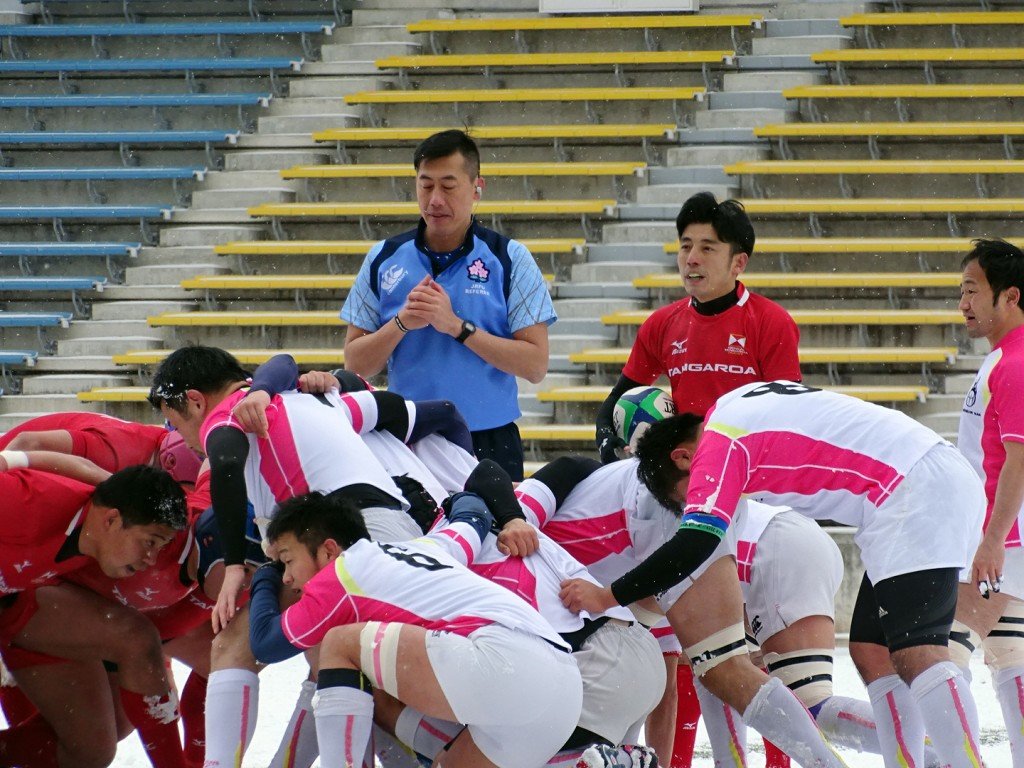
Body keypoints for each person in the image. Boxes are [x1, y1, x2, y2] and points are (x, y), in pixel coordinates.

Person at [562, 384, 989, 768]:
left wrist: (607, 596)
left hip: (907, 488)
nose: (701, 501)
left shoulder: (717, 450)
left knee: (917, 655)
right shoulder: (728, 406)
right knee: (872, 652)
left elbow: (695, 542)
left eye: (689, 497)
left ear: (682, 456)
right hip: (901, 488)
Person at [593, 192, 800, 766]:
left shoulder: (770, 323)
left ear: (739, 262)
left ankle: (780, 760)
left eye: (708, 247)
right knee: (691, 643)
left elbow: (788, 414)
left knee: (758, 644)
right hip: (686, 501)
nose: (692, 258)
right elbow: (615, 404)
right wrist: (613, 447)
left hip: (751, 499)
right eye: (685, 245)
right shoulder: (663, 324)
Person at [248, 490, 583, 768]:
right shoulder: (426, 547)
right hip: (562, 689)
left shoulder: (341, 574)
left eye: (287, 561)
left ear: (328, 550)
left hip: (504, 660)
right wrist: (455, 498)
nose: (287, 577)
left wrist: (264, 575)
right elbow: (474, 513)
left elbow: (266, 644)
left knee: (335, 644)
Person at [340, 129, 557, 481]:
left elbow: (535, 366)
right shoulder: (383, 258)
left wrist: (457, 327)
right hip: (409, 439)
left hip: (489, 440)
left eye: (448, 186)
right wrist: (401, 323)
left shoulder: (510, 258)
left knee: (499, 519)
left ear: (476, 188)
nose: (435, 200)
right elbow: (355, 364)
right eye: (425, 186)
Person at [0, 464, 190, 767]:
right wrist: (14, 457)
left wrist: (161, 665)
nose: (152, 559)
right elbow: (32, 448)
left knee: (92, 750)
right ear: (111, 519)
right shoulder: (26, 501)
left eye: (160, 547)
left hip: (19, 605)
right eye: (150, 542)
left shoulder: (101, 528)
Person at [955, 238, 1024, 764]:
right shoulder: (1003, 358)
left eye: (972, 290)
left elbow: (1019, 457)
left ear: (1011, 296)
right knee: (1008, 656)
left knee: (937, 658)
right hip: (1003, 539)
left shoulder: (1015, 364)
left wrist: (993, 540)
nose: (963, 303)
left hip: (1005, 541)